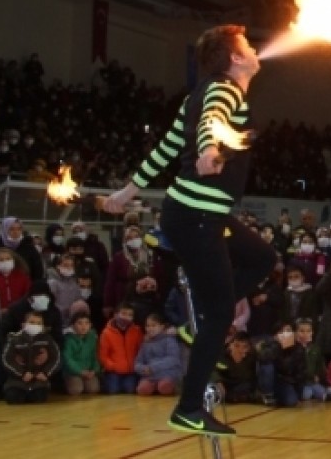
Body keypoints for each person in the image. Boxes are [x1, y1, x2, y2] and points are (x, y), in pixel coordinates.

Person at [103, 24, 277, 438]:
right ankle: (188, 408)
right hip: (196, 215)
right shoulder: (224, 89)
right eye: (247, 47)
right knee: (219, 314)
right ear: (235, 58)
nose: (255, 51)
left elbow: (165, 148)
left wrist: (128, 191)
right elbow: (213, 120)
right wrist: (209, 149)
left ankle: (192, 321)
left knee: (262, 257)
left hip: (200, 213)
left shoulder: (196, 95)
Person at [1, 311, 59, 404]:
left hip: (38, 379)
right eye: (32, 322)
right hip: (17, 380)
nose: (35, 325)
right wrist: (22, 373)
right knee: (13, 398)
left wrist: (46, 373)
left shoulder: (48, 340)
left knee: (39, 398)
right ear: (24, 324)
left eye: (39, 323)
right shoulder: (14, 339)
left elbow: (56, 358)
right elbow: (7, 359)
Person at [134, 313, 183, 397]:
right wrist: (142, 369)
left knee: (164, 387)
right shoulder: (145, 343)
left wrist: (153, 367)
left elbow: (173, 359)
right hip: (149, 376)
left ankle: (170, 386)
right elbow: (137, 362)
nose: (150, 329)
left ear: (161, 327)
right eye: (148, 326)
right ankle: (154, 387)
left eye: (153, 326)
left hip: (167, 374)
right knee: (143, 390)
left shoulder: (169, 340)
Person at [100, 303, 143, 395]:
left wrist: (136, 365)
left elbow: (141, 351)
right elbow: (103, 355)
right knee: (113, 390)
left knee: (130, 389)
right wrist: (113, 366)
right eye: (123, 314)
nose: (126, 317)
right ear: (116, 314)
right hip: (113, 371)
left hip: (131, 370)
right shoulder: (106, 333)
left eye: (130, 315)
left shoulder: (137, 331)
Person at [63, 313, 100, 395]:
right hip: (73, 372)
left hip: (89, 371)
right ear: (73, 326)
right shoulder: (69, 339)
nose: (84, 326)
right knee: (76, 390)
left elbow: (96, 356)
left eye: (87, 323)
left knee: (93, 389)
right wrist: (80, 371)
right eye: (80, 323)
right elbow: (68, 359)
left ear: (90, 325)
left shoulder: (93, 338)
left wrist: (94, 370)